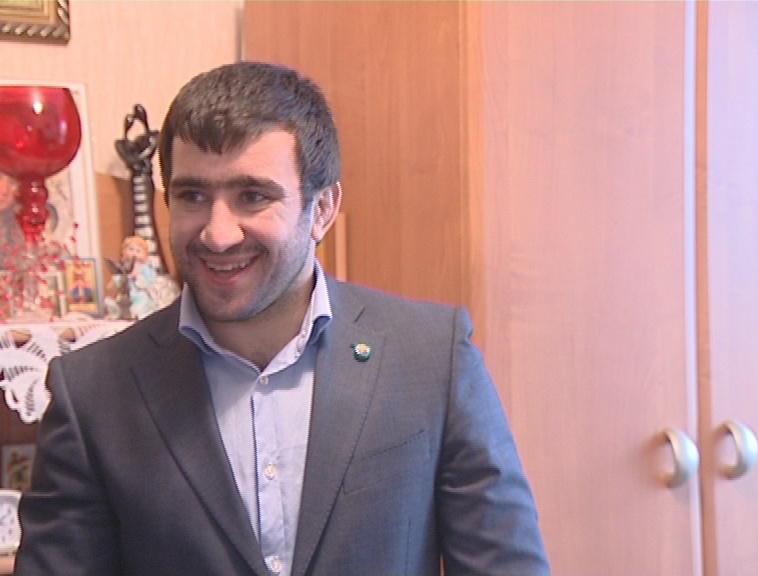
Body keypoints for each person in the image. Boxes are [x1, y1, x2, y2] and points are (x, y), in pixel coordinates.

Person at [15, 62, 549, 576]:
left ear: (323, 209)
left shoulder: (431, 360)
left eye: (253, 196)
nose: (217, 233)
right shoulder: (94, 393)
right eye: (193, 196)